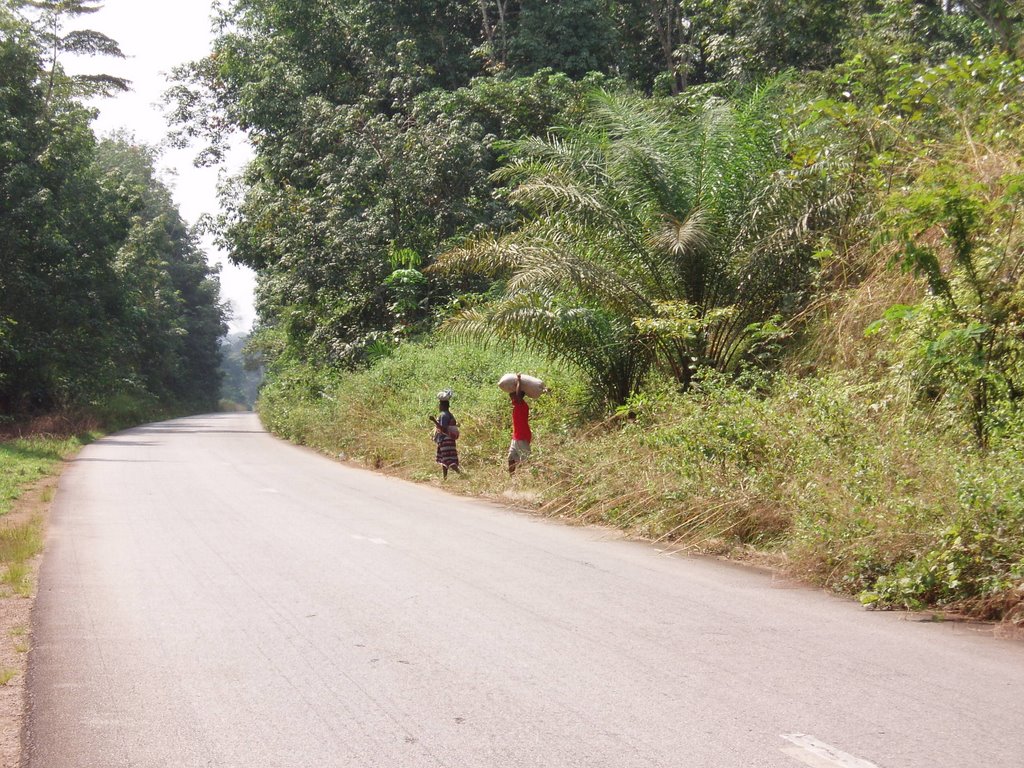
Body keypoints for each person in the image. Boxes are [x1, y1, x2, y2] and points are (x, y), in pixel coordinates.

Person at [507, 374, 531, 475]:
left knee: (526, 461)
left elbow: (517, 394)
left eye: (513, 394)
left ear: (519, 395)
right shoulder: (516, 404)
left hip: (522, 436)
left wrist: (519, 381)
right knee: (511, 458)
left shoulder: (522, 405)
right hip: (516, 437)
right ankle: (512, 479)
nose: (511, 395)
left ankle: (530, 478)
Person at [433, 389, 460, 479]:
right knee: (444, 459)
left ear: (443, 406)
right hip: (449, 439)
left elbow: (443, 428)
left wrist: (433, 421)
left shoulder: (443, 415)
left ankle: (461, 474)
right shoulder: (449, 414)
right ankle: (445, 478)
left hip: (445, 439)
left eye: (440, 404)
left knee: (448, 459)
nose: (439, 406)